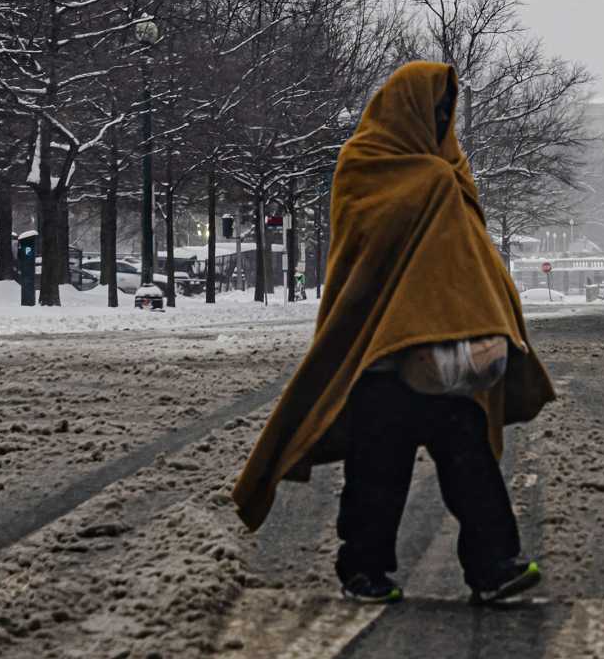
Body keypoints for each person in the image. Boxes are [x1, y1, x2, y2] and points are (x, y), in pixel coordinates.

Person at [232, 62, 556, 606]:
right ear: (406, 109)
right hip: (382, 353)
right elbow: (364, 252)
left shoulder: (448, 169)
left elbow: (469, 252)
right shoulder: (368, 165)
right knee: (377, 472)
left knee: (471, 465)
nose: (441, 121)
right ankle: (364, 569)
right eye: (434, 110)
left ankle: (493, 566)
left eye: (446, 113)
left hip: (446, 352)